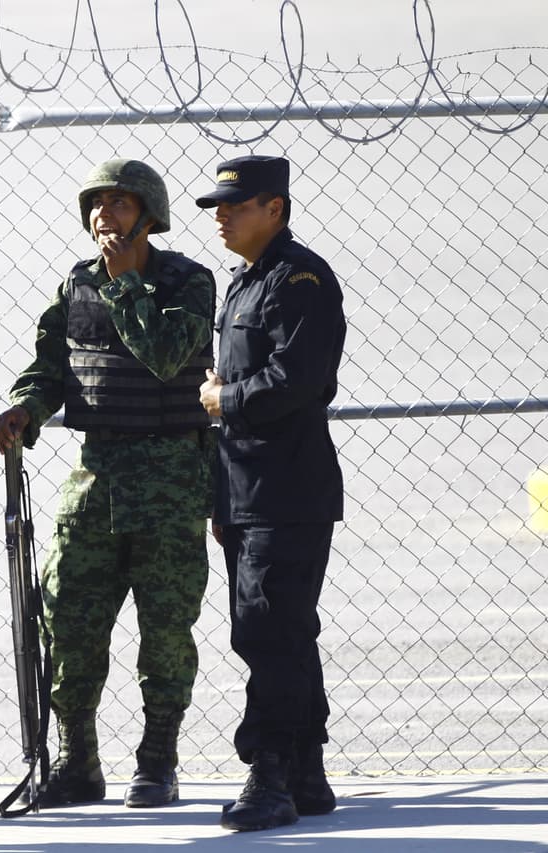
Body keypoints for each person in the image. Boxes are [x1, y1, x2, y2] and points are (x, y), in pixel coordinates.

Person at [0, 159, 215, 810]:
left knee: (166, 631)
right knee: (68, 622)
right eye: (97, 203)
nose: (104, 215)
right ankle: (77, 762)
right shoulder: (77, 286)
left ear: (149, 214)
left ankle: (157, 762)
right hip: (95, 482)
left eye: (119, 204)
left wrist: (125, 286)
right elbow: (49, 369)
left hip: (171, 482)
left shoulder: (187, 282)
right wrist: (24, 408)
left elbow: (169, 354)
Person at [195, 155, 345, 832]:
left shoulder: (298, 279)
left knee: (268, 630)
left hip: (289, 489)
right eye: (219, 206)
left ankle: (271, 771)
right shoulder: (244, 284)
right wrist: (221, 501)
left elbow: (300, 378)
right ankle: (306, 773)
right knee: (283, 629)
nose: (221, 216)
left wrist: (224, 398)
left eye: (236, 204)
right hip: (247, 490)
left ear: (274, 209)